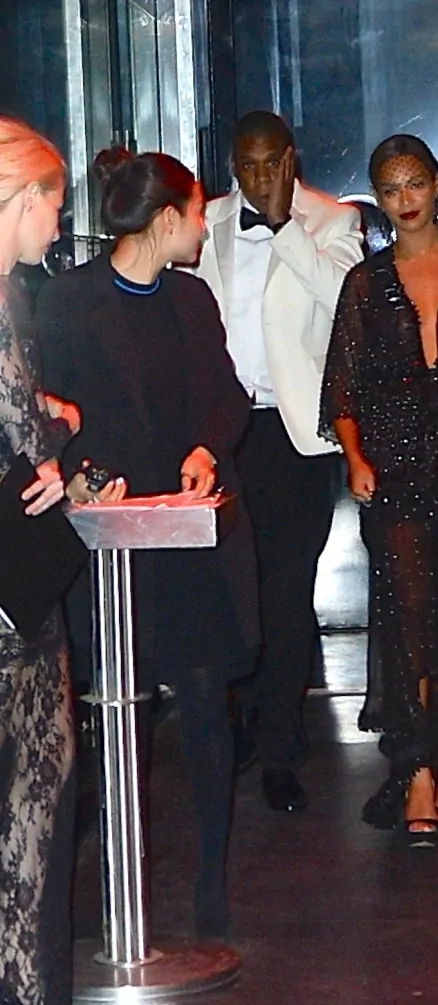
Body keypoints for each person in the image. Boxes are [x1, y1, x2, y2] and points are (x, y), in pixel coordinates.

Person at [36, 147, 259, 942]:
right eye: (197, 212)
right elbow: (45, 411)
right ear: (167, 220)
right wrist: (82, 475)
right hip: (107, 546)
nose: (205, 226)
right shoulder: (69, 300)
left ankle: (210, 884)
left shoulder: (192, 299)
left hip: (186, 534)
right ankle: (105, 887)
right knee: (109, 715)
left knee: (205, 707)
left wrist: (206, 447)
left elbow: (229, 396)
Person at [195, 111, 364, 813]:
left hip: (294, 436)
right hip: (220, 433)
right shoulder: (205, 221)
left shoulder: (334, 220)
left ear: (291, 158)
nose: (259, 177)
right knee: (228, 590)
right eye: (248, 165)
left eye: (271, 163)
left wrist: (283, 225)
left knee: (286, 592)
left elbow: (345, 299)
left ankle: (280, 749)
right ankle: (235, 724)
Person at [322, 136, 438, 845]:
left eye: (415, 183)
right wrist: (356, 457)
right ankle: (416, 765)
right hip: (394, 465)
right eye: (390, 189)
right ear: (379, 200)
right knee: (409, 615)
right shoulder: (366, 281)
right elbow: (342, 382)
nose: (405, 199)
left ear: (437, 185)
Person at [0, 116, 99, 1005]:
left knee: (36, 777)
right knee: (36, 776)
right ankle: (24, 999)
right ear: (24, 199)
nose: (60, 224)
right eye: (56, 205)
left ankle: (27, 1000)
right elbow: (24, 438)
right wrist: (55, 440)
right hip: (12, 583)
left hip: (19, 575)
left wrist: (46, 421)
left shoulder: (11, 298)